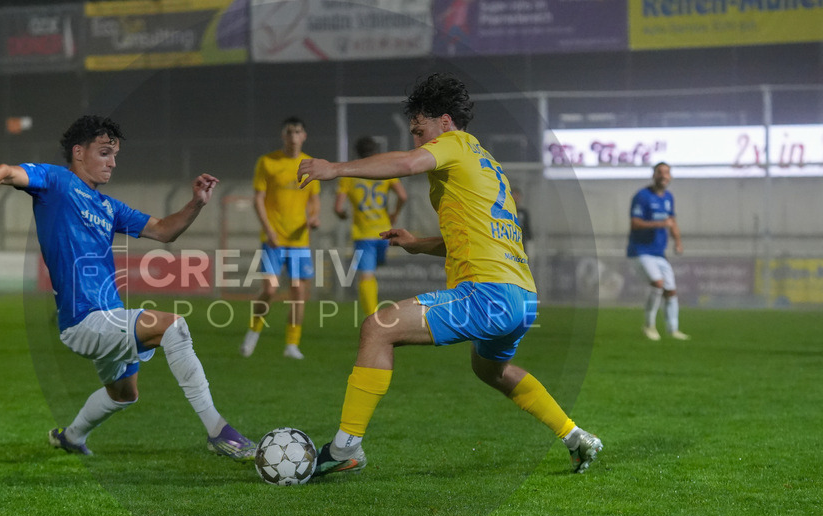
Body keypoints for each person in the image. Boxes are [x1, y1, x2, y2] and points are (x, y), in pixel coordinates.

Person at [297, 73, 603, 477]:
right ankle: (575, 437)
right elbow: (475, 236)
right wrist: (417, 242)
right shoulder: (488, 164)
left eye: (420, 131)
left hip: (489, 293)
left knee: (377, 326)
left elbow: (405, 163)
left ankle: (344, 449)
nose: (419, 142)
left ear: (445, 121)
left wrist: (334, 168)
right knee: (488, 369)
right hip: (522, 296)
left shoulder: (453, 145)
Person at [0, 115, 256, 460]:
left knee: (124, 393)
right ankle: (218, 431)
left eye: (115, 155)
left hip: (108, 316)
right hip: (84, 320)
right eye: (104, 153)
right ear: (79, 153)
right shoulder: (57, 182)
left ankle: (71, 437)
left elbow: (163, 230)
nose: (112, 162)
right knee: (174, 327)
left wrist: (196, 204)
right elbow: (8, 172)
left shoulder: (108, 207)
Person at [239, 117, 321, 360]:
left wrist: (314, 217)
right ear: (282, 136)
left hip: (299, 242)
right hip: (274, 238)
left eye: (297, 131)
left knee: (298, 293)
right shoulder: (267, 162)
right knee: (270, 289)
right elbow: (258, 199)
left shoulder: (309, 164)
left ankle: (292, 345)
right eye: (289, 132)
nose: (293, 136)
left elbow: (314, 200)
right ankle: (252, 334)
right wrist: (269, 230)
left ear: (304, 135)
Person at [334, 136, 408, 316]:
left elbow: (338, 207)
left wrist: (342, 214)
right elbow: (403, 196)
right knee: (372, 270)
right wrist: (395, 214)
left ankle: (372, 317)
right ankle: (374, 312)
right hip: (384, 233)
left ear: (357, 154)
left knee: (366, 275)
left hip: (363, 234)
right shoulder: (386, 170)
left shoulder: (349, 174)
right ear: (376, 152)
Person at [627, 162, 689, 341]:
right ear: (654, 175)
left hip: (658, 254)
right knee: (658, 283)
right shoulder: (642, 196)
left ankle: (673, 330)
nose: (663, 176)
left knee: (671, 291)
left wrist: (678, 241)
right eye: (660, 172)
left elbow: (672, 221)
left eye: (667, 173)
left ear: (670, 176)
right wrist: (660, 224)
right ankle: (649, 326)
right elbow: (635, 223)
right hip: (640, 251)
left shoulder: (668, 197)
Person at [511, 189, 532, 255]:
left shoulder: (523, 212)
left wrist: (529, 239)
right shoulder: (506, 211)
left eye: (517, 195)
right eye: (514, 195)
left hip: (521, 240)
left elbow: (527, 226)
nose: (516, 198)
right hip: (510, 239)